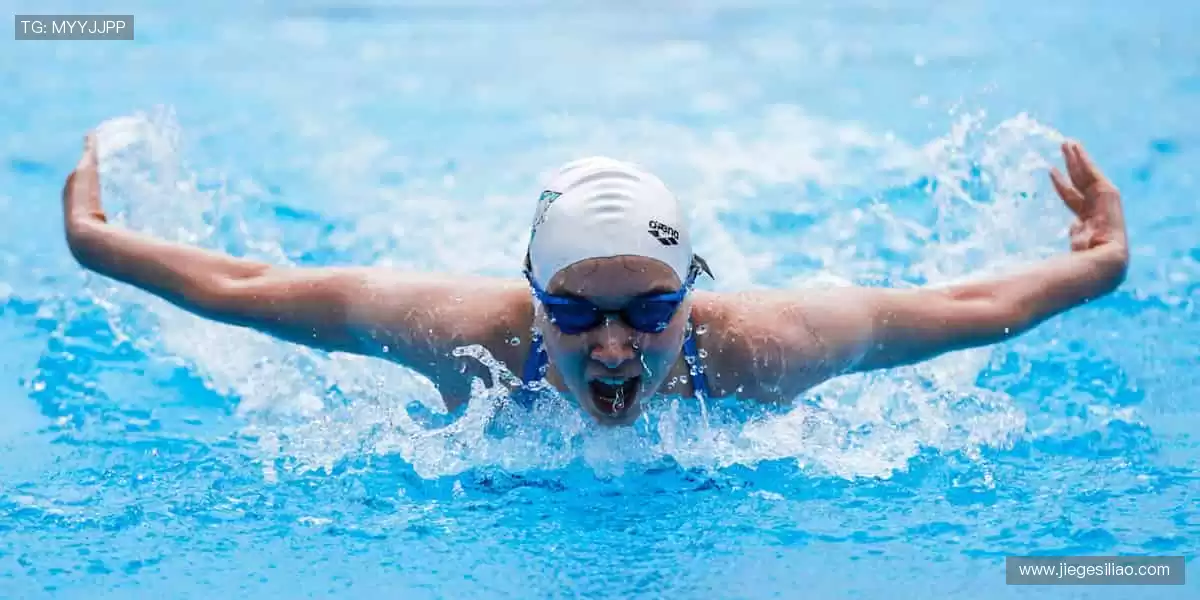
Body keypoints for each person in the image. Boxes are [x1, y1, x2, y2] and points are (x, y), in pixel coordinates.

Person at [62, 133, 1129, 426]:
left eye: (650, 310)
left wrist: (1099, 266)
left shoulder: (766, 348)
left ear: (691, 295)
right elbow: (246, 285)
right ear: (533, 301)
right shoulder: (463, 335)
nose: (614, 345)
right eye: (575, 313)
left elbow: (966, 308)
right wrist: (96, 243)